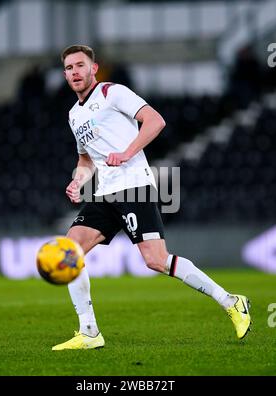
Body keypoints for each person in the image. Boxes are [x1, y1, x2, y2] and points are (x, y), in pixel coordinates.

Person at [52, 45, 251, 351]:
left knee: (156, 260)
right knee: (70, 251)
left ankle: (231, 301)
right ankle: (89, 332)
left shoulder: (111, 92)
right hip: (104, 192)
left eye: (80, 65)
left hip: (134, 186)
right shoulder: (74, 115)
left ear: (94, 68)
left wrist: (127, 153)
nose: (74, 72)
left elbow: (155, 121)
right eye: (68, 68)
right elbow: (86, 159)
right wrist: (78, 180)